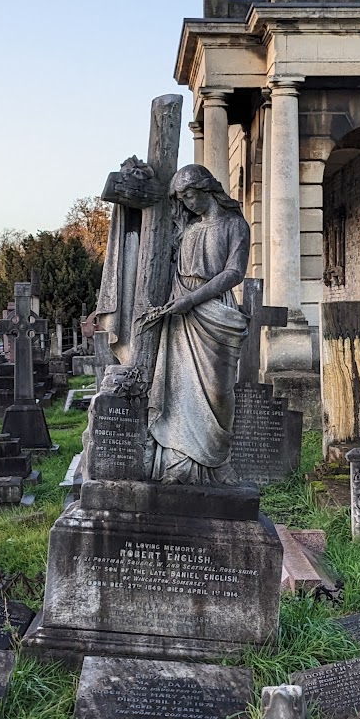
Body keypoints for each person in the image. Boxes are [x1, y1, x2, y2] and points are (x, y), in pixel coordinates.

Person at [137, 164, 250, 484]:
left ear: (206, 189)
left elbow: (234, 273)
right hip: (180, 312)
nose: (187, 203)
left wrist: (192, 300)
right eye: (181, 198)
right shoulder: (185, 230)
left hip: (214, 313)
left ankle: (219, 461)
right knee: (178, 389)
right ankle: (178, 462)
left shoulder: (234, 225)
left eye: (189, 195)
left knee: (218, 391)